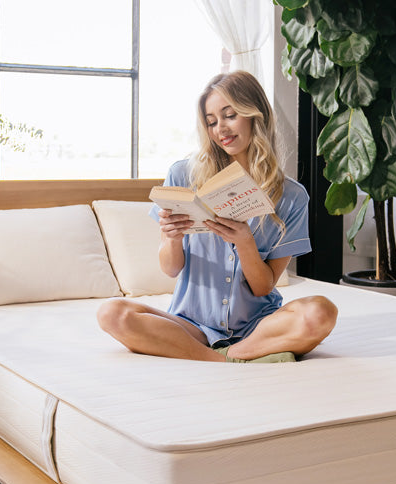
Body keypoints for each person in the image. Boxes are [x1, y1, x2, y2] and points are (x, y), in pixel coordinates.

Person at [97, 70, 337, 363]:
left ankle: (234, 351)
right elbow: (170, 269)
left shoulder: (291, 196)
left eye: (230, 115)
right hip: (192, 325)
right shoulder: (183, 174)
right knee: (112, 313)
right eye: (211, 121)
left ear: (255, 114)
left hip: (258, 325)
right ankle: (222, 360)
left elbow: (264, 287)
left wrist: (245, 243)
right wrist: (173, 238)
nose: (220, 128)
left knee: (320, 312)